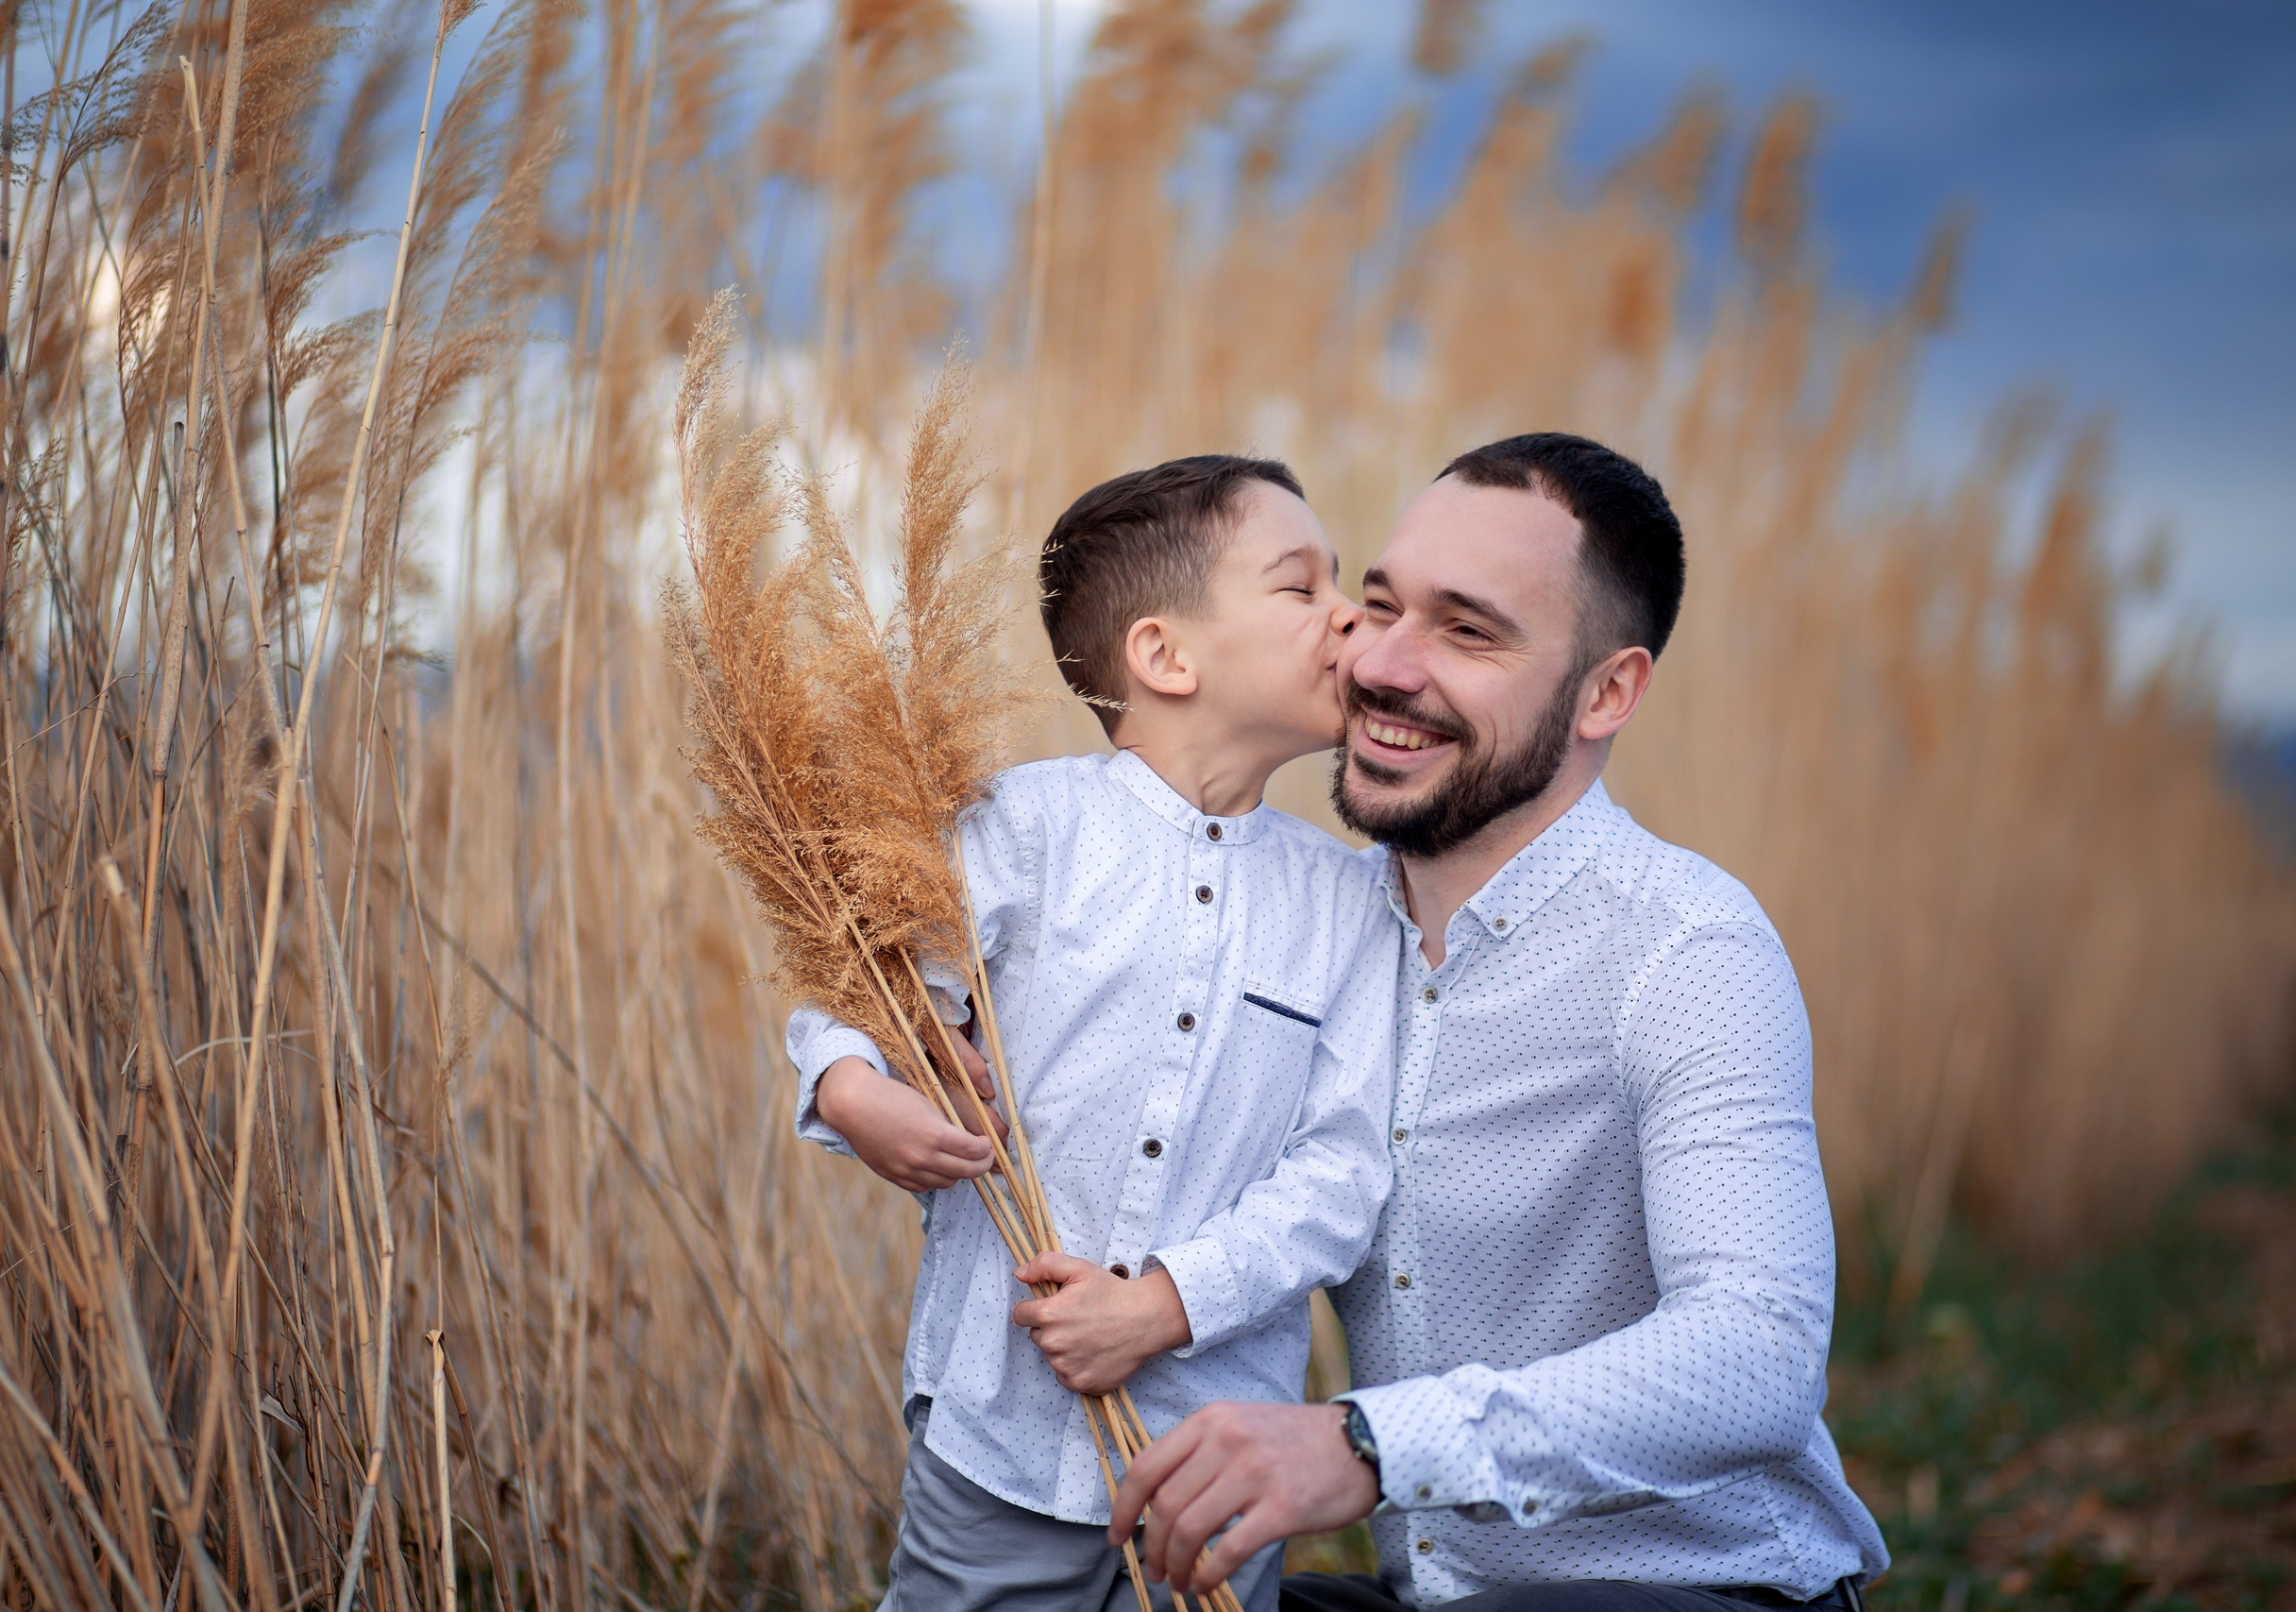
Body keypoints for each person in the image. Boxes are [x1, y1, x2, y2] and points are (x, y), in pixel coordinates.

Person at [1106, 433, 1893, 1612]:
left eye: (1466, 632)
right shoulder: (1301, 932)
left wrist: (1366, 1445)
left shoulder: (1687, 947)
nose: (1385, 663)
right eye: (1377, 606)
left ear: (1605, 692)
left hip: (1700, 1593)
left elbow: (1759, 1351)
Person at [788, 455, 1403, 1612]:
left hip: (1212, 1462)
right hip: (996, 1434)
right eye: (1299, 586)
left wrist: (1161, 1307)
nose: (1350, 616)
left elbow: (1345, 1168)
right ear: (1166, 657)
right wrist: (851, 1090)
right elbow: (863, 984)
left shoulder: (1353, 904)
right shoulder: (1025, 829)